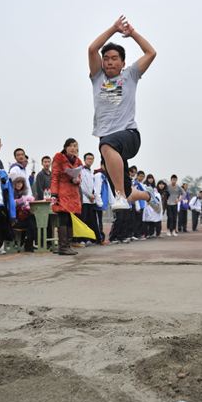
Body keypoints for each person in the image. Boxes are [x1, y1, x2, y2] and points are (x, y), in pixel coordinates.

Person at [88, 15, 158, 212]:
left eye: (114, 59)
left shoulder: (130, 75)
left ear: (123, 63)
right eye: (106, 59)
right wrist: (113, 28)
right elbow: (92, 49)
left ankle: (119, 195)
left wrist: (132, 33)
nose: (109, 62)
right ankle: (147, 195)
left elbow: (151, 53)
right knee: (128, 193)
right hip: (109, 147)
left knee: (107, 144)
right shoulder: (97, 78)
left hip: (129, 135)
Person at [50, 138, 82, 256]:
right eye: (71, 146)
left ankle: (67, 245)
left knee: (70, 219)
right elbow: (55, 176)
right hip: (62, 192)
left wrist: (76, 179)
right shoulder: (59, 158)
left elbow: (80, 178)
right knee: (63, 217)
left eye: (75, 146)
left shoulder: (78, 161)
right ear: (66, 147)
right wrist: (54, 193)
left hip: (73, 193)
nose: (73, 148)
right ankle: (63, 246)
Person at [80, 152, 102, 244]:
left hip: (91, 200)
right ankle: (81, 240)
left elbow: (93, 186)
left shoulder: (91, 172)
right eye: (88, 158)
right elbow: (82, 185)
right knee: (83, 220)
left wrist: (93, 195)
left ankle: (94, 239)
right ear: (84, 160)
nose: (90, 160)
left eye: (91, 159)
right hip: (84, 200)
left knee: (92, 221)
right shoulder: (81, 171)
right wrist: (89, 195)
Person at [12, 177, 36, 252]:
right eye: (17, 183)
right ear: (14, 184)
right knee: (31, 222)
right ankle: (28, 244)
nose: (19, 185)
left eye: (21, 183)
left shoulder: (24, 194)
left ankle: (28, 243)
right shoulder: (12, 193)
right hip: (14, 219)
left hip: (22, 217)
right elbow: (12, 204)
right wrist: (21, 201)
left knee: (32, 220)